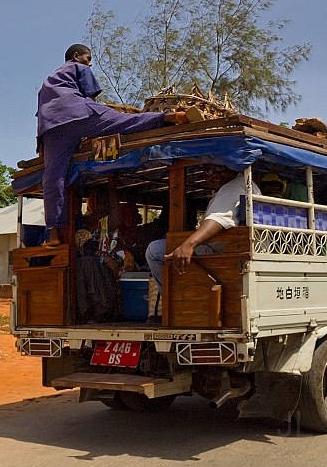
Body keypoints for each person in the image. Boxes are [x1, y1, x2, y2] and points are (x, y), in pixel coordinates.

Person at [38, 44, 189, 247]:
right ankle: (168, 116)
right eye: (88, 57)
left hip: (52, 128)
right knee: (126, 122)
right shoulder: (78, 67)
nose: (90, 62)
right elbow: (89, 97)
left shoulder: (47, 83)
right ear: (76, 56)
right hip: (79, 113)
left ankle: (54, 234)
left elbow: (42, 114)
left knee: (53, 178)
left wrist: (42, 147)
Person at [145, 165, 262, 295]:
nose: (214, 174)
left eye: (219, 168)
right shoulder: (245, 184)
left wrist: (189, 244)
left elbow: (217, 220)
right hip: (230, 252)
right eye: (209, 171)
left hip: (223, 255)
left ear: (233, 166)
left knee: (155, 250)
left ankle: (172, 301)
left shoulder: (232, 187)